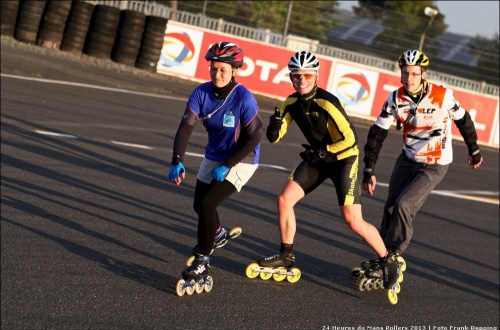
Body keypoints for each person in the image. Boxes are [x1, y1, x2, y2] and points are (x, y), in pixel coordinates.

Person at [259, 50, 399, 288]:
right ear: (291, 77)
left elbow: (351, 140)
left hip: (344, 160)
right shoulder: (291, 103)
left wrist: (323, 152)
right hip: (319, 158)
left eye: (307, 75)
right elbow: (276, 137)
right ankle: (286, 255)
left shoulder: (327, 101)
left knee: (352, 219)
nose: (301, 80)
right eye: (296, 75)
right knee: (284, 199)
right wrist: (273, 129)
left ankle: (388, 260)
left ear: (316, 76)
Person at [361, 49, 483, 269]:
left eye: (415, 74)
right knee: (390, 208)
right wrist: (369, 169)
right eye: (406, 73)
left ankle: (393, 256)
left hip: (435, 163)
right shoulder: (395, 98)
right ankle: (383, 255)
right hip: (408, 158)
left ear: (424, 74)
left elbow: (464, 120)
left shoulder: (442, 96)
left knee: (404, 205)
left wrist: (473, 150)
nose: (409, 79)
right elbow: (377, 133)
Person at [168, 41, 263, 281]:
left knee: (209, 204)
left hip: (243, 159)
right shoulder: (201, 92)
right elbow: (185, 128)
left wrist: (228, 164)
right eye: (213, 68)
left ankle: (203, 260)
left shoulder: (244, 98)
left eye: (223, 69)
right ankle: (217, 234)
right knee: (199, 206)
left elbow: (254, 138)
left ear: (235, 70)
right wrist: (176, 160)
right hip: (214, 154)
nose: (217, 74)